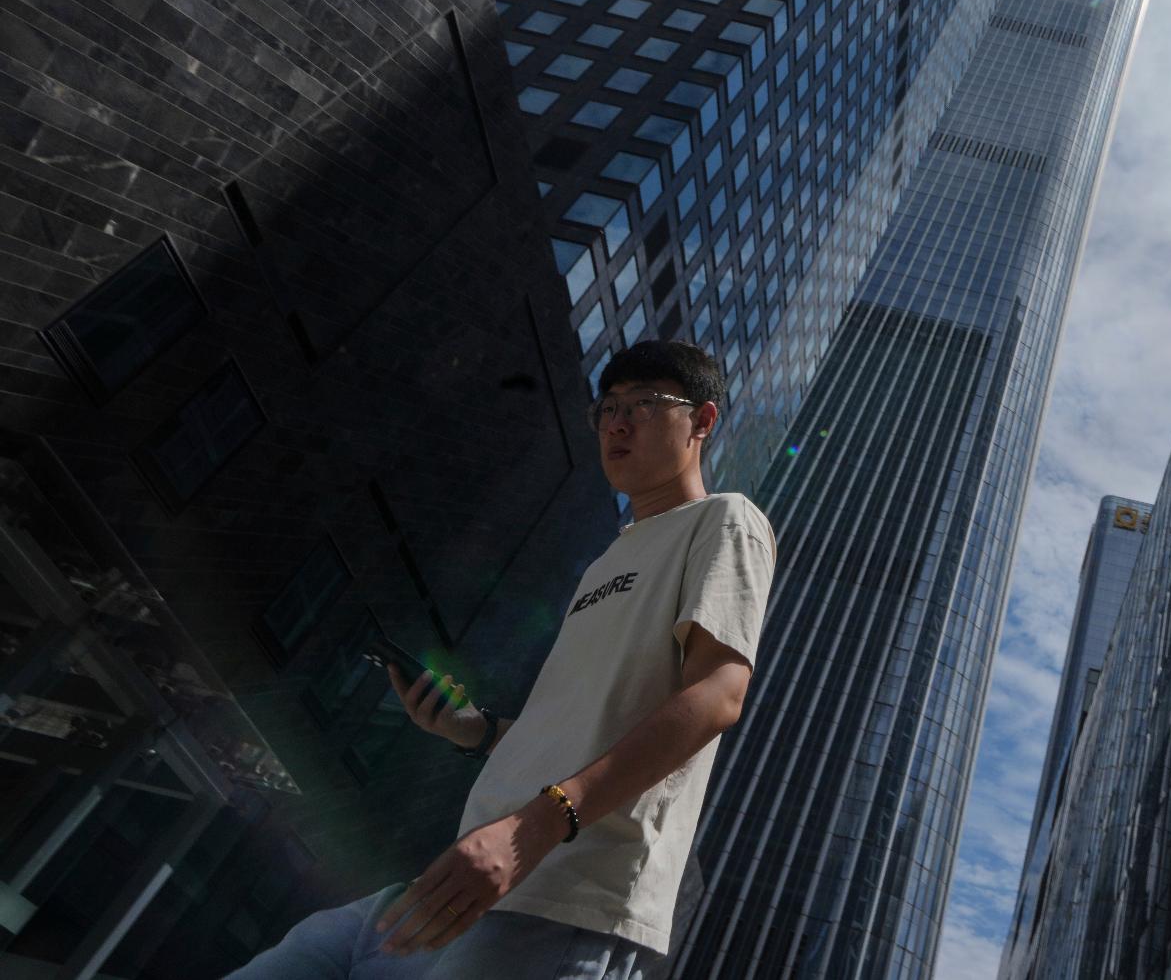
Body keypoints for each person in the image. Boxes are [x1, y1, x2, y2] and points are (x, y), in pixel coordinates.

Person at [226, 340, 776, 978]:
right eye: (608, 408)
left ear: (702, 421)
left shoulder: (725, 520)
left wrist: (533, 830)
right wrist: (472, 728)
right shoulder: (607, 561)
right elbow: (579, 727)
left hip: (567, 901)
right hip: (453, 882)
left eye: (647, 404)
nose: (618, 423)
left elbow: (719, 693)